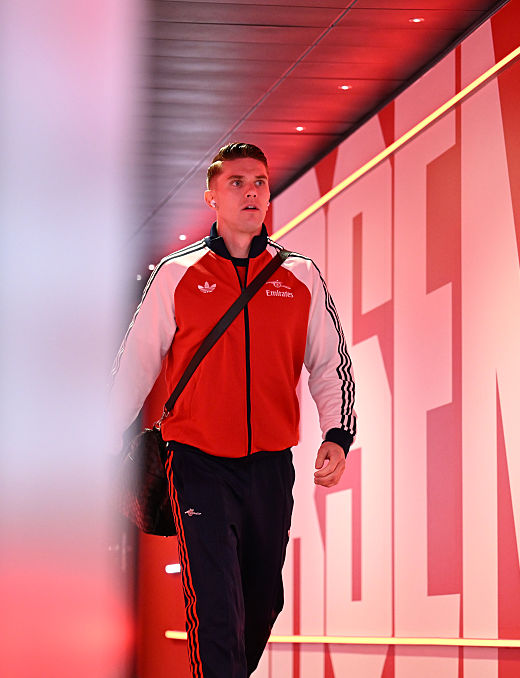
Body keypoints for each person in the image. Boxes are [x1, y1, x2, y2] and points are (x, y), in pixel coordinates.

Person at [110, 142, 356, 678]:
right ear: (212, 197)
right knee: (216, 606)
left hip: (270, 464)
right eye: (237, 183)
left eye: (259, 182)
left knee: (263, 601)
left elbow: (328, 362)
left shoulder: (300, 276)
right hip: (195, 461)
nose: (251, 192)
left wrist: (337, 434)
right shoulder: (177, 274)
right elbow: (135, 364)